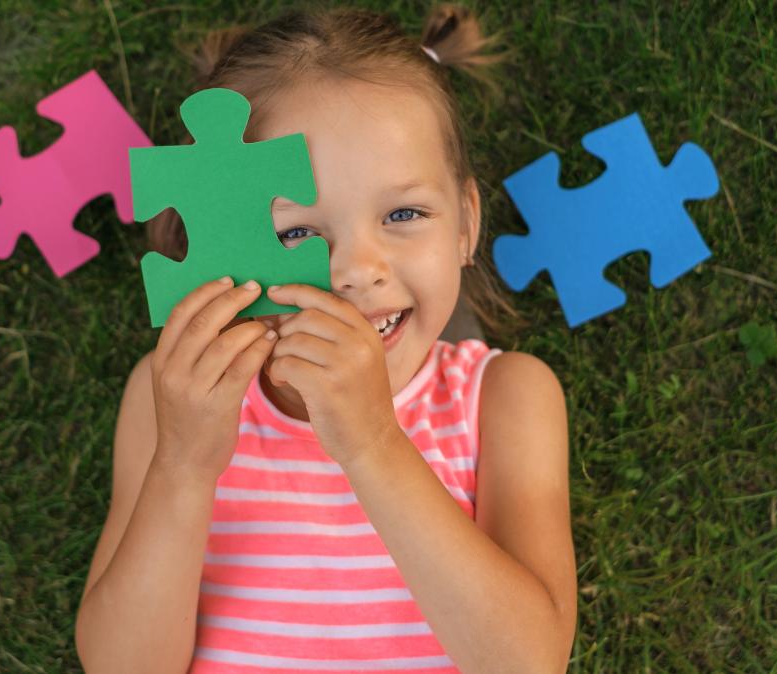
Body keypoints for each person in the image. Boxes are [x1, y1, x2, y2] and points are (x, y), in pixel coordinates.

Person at [75, 6, 576, 673]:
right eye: (296, 233)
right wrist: (183, 469)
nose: (356, 271)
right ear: (220, 246)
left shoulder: (505, 400)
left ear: (465, 223)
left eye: (403, 213)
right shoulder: (178, 397)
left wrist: (371, 443)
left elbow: (527, 663)